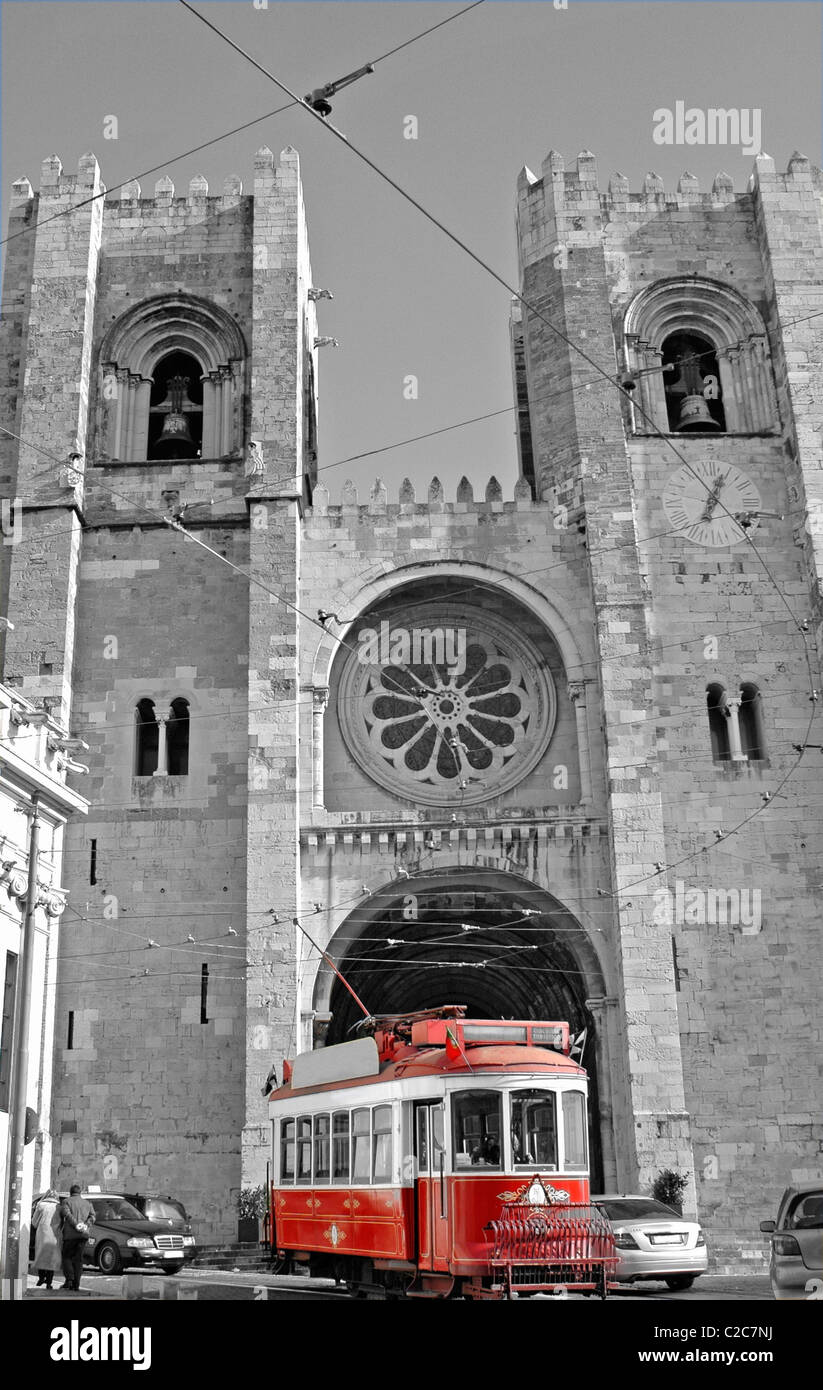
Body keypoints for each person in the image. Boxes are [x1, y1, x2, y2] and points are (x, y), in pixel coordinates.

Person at [59, 1185, 94, 1291]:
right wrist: (86, 1224)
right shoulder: (87, 1203)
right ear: (80, 1193)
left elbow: (67, 1214)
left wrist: (76, 1225)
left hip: (70, 1235)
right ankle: (76, 1284)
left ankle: (70, 1279)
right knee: (78, 1259)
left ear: (70, 1192)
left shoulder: (66, 1201)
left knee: (67, 1257)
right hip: (83, 1235)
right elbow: (92, 1216)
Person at [32, 1189, 62, 1289]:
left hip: (42, 1233)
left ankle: (41, 1278)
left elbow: (34, 1222)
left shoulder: (40, 1205)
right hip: (54, 1234)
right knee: (51, 1258)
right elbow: (62, 1222)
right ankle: (49, 1283)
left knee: (41, 1255)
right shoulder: (59, 1207)